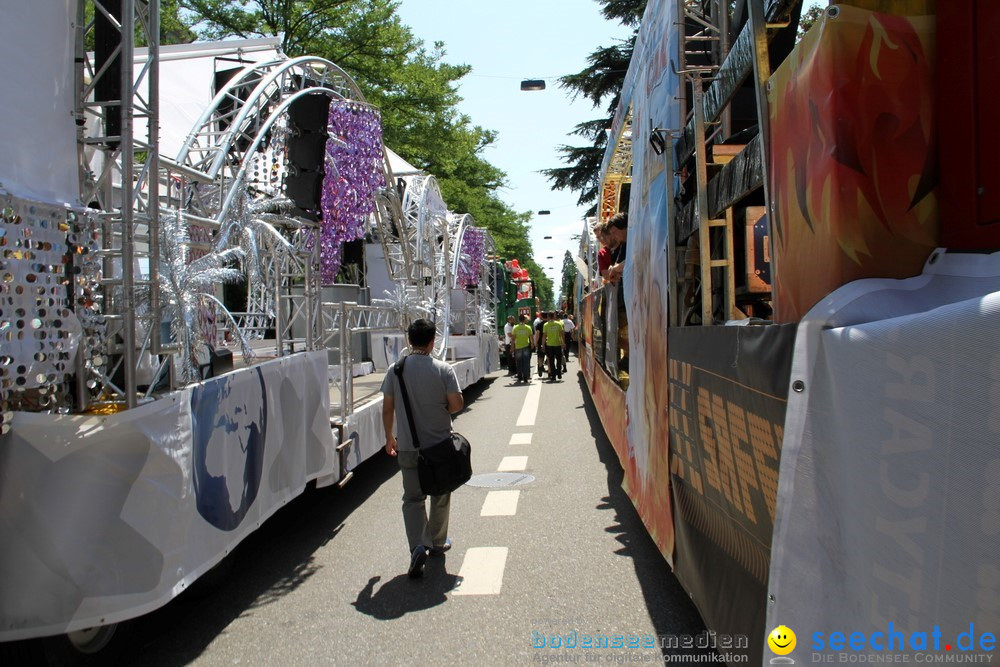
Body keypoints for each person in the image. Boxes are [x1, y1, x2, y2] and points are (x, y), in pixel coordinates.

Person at [380, 319, 464, 578]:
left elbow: (387, 408)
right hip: (439, 446)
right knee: (440, 492)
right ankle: (437, 543)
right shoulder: (443, 369)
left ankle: (418, 545)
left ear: (409, 340)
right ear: (432, 341)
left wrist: (389, 437)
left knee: (412, 498)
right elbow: (457, 404)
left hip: (408, 447)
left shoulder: (395, 370)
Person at [542, 312, 566, 382]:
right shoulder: (559, 324)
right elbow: (562, 335)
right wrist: (563, 343)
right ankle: (559, 373)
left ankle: (553, 376)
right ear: (554, 316)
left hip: (549, 345)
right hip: (558, 344)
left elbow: (544, 336)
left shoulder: (546, 325)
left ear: (548, 317)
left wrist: (543, 345)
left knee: (551, 361)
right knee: (559, 359)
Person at [511, 314, 535, 383]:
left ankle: (519, 376)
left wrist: (512, 347)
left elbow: (513, 339)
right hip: (526, 347)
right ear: (524, 320)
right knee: (526, 362)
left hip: (518, 347)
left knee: (519, 362)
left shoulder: (515, 328)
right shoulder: (528, 327)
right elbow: (531, 337)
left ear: (519, 320)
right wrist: (532, 344)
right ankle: (525, 377)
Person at [606, 213, 628, 285]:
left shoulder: (637, 240)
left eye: (614, 232)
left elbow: (633, 261)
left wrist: (615, 269)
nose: (613, 237)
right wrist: (616, 272)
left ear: (624, 228)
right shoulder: (624, 243)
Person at [534, 311, 547, 378]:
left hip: (540, 343)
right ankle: (550, 371)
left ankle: (540, 367)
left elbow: (537, 334)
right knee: (548, 356)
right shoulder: (548, 324)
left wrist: (536, 342)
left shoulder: (539, 324)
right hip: (548, 342)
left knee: (540, 356)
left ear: (541, 316)